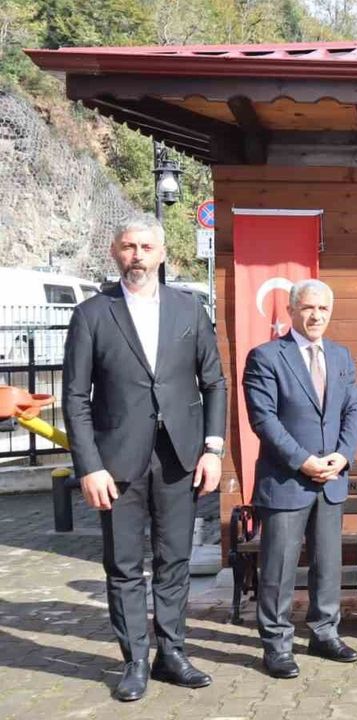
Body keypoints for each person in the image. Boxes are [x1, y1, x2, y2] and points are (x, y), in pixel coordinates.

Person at [62, 216, 227, 702]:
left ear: (162, 253)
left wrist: (213, 449)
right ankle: (134, 660)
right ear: (115, 252)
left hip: (180, 456)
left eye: (146, 247)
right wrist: (89, 466)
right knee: (124, 564)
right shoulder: (92, 314)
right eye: (129, 246)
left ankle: (172, 654)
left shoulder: (189, 309)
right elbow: (75, 397)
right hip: (116, 462)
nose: (137, 255)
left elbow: (214, 382)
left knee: (175, 559)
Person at [242, 279, 357, 678]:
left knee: (327, 565)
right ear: (292, 310)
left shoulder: (341, 356)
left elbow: (352, 410)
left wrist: (342, 455)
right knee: (278, 568)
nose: (316, 315)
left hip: (330, 480)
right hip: (286, 481)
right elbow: (264, 420)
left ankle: (324, 633)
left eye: (323, 309)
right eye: (308, 308)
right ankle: (276, 644)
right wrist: (303, 460)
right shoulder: (266, 357)